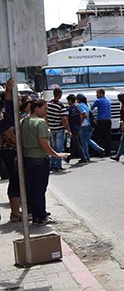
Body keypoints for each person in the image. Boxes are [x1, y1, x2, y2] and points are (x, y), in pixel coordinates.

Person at [22, 99, 70, 224]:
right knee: (40, 189)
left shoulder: (24, 122)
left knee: (32, 189)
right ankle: (41, 216)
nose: (46, 111)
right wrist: (56, 155)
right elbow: (43, 142)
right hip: (40, 159)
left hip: (28, 158)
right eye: (44, 108)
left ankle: (36, 214)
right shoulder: (40, 123)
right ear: (36, 108)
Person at [1, 79, 23, 222]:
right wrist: (20, 145)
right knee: (15, 180)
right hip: (10, 152)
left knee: (16, 180)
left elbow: (8, 103)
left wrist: (9, 89)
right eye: (19, 99)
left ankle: (17, 211)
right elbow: (7, 130)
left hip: (11, 151)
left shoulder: (10, 114)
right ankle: (15, 213)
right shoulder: (4, 119)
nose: (20, 101)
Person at [46, 86, 69, 171]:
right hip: (59, 129)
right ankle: (58, 165)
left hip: (51, 128)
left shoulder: (48, 104)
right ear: (60, 95)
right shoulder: (61, 106)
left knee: (53, 147)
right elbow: (64, 119)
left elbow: (46, 116)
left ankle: (53, 164)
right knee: (59, 148)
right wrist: (68, 130)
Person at [76, 94, 103, 161]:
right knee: (87, 139)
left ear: (79, 99)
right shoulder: (87, 105)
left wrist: (80, 124)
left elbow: (84, 115)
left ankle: (86, 156)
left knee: (83, 142)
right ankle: (99, 149)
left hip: (84, 125)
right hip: (90, 124)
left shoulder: (79, 106)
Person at [92, 89, 113, 154]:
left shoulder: (98, 101)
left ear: (101, 93)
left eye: (97, 93)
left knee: (100, 136)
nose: (96, 95)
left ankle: (101, 150)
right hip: (108, 120)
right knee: (107, 135)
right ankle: (108, 150)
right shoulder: (108, 100)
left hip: (101, 120)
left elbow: (92, 108)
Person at [65, 94, 84, 163]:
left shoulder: (69, 109)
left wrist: (67, 128)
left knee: (76, 143)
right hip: (77, 127)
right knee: (73, 143)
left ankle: (83, 157)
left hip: (72, 128)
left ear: (70, 101)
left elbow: (66, 119)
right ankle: (69, 157)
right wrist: (79, 125)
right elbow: (81, 117)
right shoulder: (77, 108)